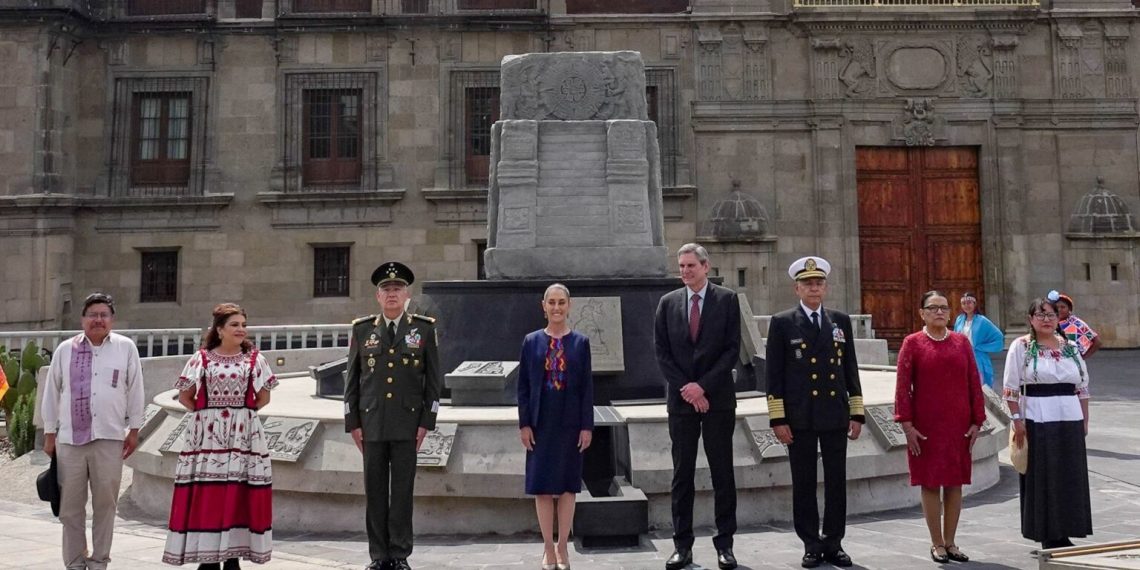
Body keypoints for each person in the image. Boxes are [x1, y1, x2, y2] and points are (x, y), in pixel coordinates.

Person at [765, 256, 864, 569]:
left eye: (818, 283)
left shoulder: (839, 321)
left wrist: (857, 412)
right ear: (797, 288)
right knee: (804, 482)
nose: (814, 288)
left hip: (834, 413)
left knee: (837, 482)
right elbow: (774, 376)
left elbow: (850, 368)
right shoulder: (782, 322)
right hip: (800, 417)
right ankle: (810, 543)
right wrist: (778, 419)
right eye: (808, 284)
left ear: (826, 287)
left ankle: (834, 543)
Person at [163, 303, 278, 569]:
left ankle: (233, 555)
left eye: (243, 325)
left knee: (238, 491)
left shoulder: (254, 359)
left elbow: (264, 396)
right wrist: (209, 417)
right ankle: (208, 555)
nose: (241, 330)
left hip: (244, 436)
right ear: (219, 329)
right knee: (208, 492)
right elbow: (185, 395)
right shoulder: (201, 359)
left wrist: (240, 416)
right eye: (234, 325)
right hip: (207, 436)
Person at [344, 262, 442, 570]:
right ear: (377, 296)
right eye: (386, 289)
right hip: (371, 424)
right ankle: (378, 556)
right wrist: (353, 424)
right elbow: (352, 382)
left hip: (407, 424)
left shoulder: (423, 329)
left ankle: (399, 554)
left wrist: (427, 422)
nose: (391, 294)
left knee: (401, 492)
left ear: (407, 294)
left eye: (397, 289)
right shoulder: (363, 329)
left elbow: (434, 381)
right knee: (374, 493)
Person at [41, 292, 146, 570]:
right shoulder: (66, 350)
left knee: (105, 506)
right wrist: (49, 433)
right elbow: (52, 393)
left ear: (112, 319)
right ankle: (75, 562)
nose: (97, 320)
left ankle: (100, 561)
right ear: (82, 319)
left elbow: (135, 390)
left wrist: (134, 429)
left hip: (110, 438)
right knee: (70, 509)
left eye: (103, 315)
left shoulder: (125, 348)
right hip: (70, 441)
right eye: (92, 315)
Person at [654, 243, 741, 570]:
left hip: (717, 400)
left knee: (722, 474)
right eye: (681, 266)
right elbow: (662, 353)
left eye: (691, 265)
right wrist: (688, 390)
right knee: (682, 475)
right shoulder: (667, 303)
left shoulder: (727, 300)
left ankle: (725, 545)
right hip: (681, 402)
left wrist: (703, 386)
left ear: (706, 266)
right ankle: (682, 546)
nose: (685, 271)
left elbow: (732, 349)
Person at [895, 291, 986, 564]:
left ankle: (951, 542)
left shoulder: (961, 343)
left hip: (958, 424)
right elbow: (902, 387)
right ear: (922, 313)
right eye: (933, 308)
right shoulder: (912, 343)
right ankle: (936, 543)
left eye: (944, 308)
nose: (939, 312)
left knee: (955, 483)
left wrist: (976, 420)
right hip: (926, 426)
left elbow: (973, 381)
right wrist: (907, 425)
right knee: (931, 483)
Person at [1004, 297, 1092, 550]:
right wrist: (1017, 421)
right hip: (1037, 416)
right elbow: (1010, 388)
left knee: (1069, 474)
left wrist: (1084, 421)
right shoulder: (1021, 346)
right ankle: (1047, 532)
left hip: (1070, 416)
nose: (1046, 319)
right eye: (1040, 315)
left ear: (1059, 317)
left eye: (1051, 315)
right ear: (1031, 319)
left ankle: (1067, 529)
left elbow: (1082, 387)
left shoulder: (1071, 347)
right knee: (1045, 475)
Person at [517, 283, 595, 570]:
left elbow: (587, 388)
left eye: (562, 302)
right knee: (542, 486)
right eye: (552, 302)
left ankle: (563, 546)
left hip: (570, 422)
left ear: (569, 306)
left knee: (566, 487)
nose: (557, 307)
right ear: (544, 306)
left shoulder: (581, 343)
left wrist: (587, 426)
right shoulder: (531, 341)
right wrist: (524, 423)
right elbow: (523, 387)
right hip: (541, 421)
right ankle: (547, 548)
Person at [952, 292, 1005, 389]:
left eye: (969, 303)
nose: (966, 306)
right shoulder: (959, 319)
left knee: (978, 385)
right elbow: (955, 336)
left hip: (977, 357)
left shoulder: (982, 321)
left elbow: (998, 336)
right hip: (962, 356)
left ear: (974, 304)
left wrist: (981, 347)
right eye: (964, 303)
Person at [1049, 290, 1102, 359]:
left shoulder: (1077, 324)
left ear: (1069, 309)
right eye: (1056, 307)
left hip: (1073, 363)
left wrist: (1083, 357)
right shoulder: (1050, 323)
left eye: (1063, 307)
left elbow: (1097, 342)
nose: (1059, 310)